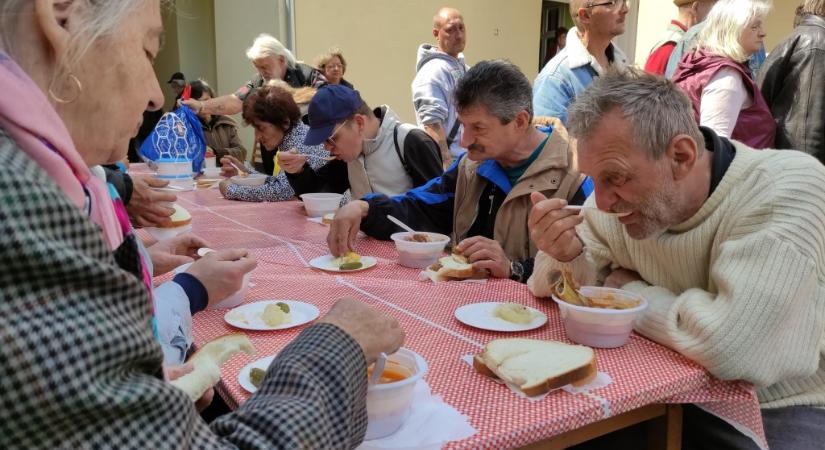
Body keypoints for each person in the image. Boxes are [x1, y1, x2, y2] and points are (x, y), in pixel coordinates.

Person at [0, 1, 404, 448]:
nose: (155, 95)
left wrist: (147, 383)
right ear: (60, 14)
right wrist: (335, 349)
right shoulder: (19, 202)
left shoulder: (40, 184)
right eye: (149, 50)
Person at [528, 68, 825, 450]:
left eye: (615, 178)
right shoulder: (620, 205)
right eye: (595, 180)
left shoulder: (786, 188)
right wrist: (566, 254)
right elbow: (543, 287)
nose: (601, 202)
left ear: (681, 156)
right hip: (662, 389)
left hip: (782, 403)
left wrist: (629, 292)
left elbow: (733, 347)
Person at [329, 60, 591, 283]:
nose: (464, 142)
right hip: (466, 315)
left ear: (519, 122)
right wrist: (365, 208)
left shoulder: (578, 176)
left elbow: (592, 267)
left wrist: (514, 268)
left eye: (478, 128)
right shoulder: (471, 166)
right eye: (463, 126)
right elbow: (420, 207)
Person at [280, 84, 443, 200]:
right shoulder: (350, 154)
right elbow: (319, 193)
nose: (327, 149)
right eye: (323, 142)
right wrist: (297, 171)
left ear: (359, 123)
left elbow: (436, 208)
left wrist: (371, 214)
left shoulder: (412, 141)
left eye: (330, 139)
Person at [672, 0, 775, 149]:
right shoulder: (726, 77)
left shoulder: (706, 63)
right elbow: (716, 147)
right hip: (736, 171)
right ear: (733, 29)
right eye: (755, 26)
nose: (763, 32)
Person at [218, 83, 331, 202]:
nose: (257, 138)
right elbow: (281, 182)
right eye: (255, 129)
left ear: (285, 122)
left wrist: (232, 190)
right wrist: (245, 172)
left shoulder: (302, 142)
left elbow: (282, 191)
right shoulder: (294, 136)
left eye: (261, 128)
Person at [533, 0, 628, 124]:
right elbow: (550, 141)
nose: (625, 9)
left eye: (624, 1)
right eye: (612, 2)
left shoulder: (621, 63)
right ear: (585, 16)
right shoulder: (555, 78)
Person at [758, 0, 825, 161]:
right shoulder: (817, 44)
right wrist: (810, 175)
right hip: (803, 167)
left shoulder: (807, 37)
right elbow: (806, 130)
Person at [412, 7, 469, 164]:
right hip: (452, 163)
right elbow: (431, 123)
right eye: (450, 30)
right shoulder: (432, 71)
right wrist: (446, 164)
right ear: (436, 34)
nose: (458, 35)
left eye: (461, 28)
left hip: (468, 161)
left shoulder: (464, 68)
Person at [644, 1, 716, 76]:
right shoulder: (671, 44)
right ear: (695, 7)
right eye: (711, 9)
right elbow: (649, 85)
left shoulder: (682, 41)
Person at [189, 79, 247, 161]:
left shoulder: (227, 123)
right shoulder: (187, 127)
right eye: (197, 102)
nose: (202, 106)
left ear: (214, 100)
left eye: (206, 100)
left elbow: (241, 152)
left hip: (229, 172)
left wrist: (216, 152)